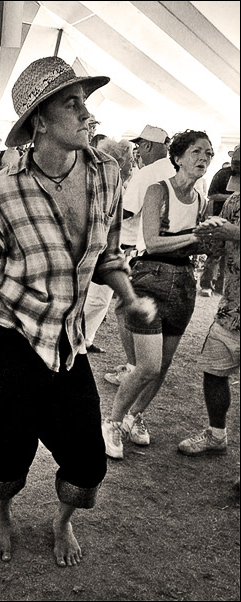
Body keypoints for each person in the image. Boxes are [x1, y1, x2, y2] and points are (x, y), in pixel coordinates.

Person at [0, 56, 156, 566]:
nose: (87, 114)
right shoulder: (3, 191)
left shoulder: (107, 175)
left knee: (87, 459)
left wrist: (130, 297)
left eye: (86, 102)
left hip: (67, 339)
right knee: (6, 448)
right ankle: (1, 515)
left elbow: (109, 254)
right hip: (9, 336)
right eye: (73, 104)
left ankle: (61, 521)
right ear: (40, 122)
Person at [102, 129, 215, 460]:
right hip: (150, 276)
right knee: (147, 365)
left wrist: (212, 239)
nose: (204, 159)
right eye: (197, 152)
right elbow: (152, 242)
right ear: (178, 157)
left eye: (208, 154)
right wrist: (194, 235)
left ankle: (134, 418)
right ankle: (112, 421)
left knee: (162, 366)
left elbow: (200, 249)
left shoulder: (202, 201)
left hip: (183, 284)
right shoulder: (158, 190)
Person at [178, 147, 239, 458]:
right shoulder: (233, 202)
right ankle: (217, 434)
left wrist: (236, 233)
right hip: (231, 309)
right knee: (214, 372)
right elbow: (215, 249)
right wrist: (205, 235)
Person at [104, 125, 175, 386]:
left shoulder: (148, 173)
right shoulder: (179, 168)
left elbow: (126, 212)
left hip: (146, 252)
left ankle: (135, 368)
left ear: (147, 146)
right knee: (162, 315)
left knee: (125, 308)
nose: (137, 152)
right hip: (177, 254)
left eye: (139, 146)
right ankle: (152, 367)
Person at [84, 137, 134, 353]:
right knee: (96, 299)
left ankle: (85, 340)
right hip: (102, 252)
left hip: (111, 252)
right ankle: (82, 340)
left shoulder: (117, 182)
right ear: (118, 161)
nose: (133, 164)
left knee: (99, 300)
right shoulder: (103, 181)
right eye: (130, 160)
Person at [198, 144, 239, 297]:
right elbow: (212, 195)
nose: (236, 164)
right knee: (215, 252)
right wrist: (233, 198)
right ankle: (206, 285)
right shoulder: (222, 174)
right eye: (235, 160)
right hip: (221, 218)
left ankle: (222, 287)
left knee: (231, 255)